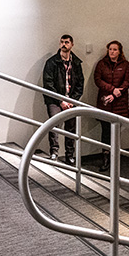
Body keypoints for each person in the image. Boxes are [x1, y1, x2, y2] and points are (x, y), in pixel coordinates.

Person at [42, 34, 84, 163]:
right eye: (61, 42)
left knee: (71, 128)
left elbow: (80, 84)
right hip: (55, 100)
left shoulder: (76, 63)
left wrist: (72, 100)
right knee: (54, 124)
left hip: (70, 101)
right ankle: (54, 152)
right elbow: (48, 84)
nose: (64, 44)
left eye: (66, 42)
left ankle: (69, 155)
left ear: (72, 44)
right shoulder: (52, 62)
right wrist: (61, 101)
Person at [93, 40, 129, 172]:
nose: (112, 52)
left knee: (116, 132)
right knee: (105, 132)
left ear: (120, 51)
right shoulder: (101, 64)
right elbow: (97, 79)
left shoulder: (126, 65)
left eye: (115, 49)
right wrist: (111, 89)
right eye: (110, 49)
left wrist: (115, 94)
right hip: (105, 102)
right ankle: (105, 158)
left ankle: (115, 157)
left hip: (119, 103)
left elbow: (127, 82)